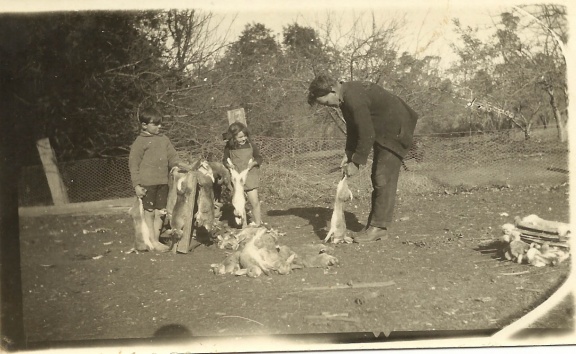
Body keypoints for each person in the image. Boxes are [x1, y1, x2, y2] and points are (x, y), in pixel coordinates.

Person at [307, 74, 418, 243]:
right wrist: (349, 153)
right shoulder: (345, 97)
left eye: (328, 103)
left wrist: (356, 162)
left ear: (333, 90)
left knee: (382, 177)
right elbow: (354, 128)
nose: (331, 106)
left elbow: (366, 133)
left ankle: (378, 228)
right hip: (384, 130)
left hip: (396, 130)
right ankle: (375, 226)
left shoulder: (353, 97)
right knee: (378, 177)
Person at [129, 107, 186, 251]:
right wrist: (136, 185)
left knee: (161, 211)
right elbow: (133, 165)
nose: (159, 126)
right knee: (149, 211)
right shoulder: (139, 142)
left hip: (163, 182)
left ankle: (155, 238)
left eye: (160, 124)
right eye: (156, 124)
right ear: (144, 125)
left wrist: (176, 166)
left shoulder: (163, 139)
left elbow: (173, 156)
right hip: (147, 184)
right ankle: (152, 240)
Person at [223, 122, 264, 227]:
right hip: (237, 178)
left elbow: (259, 158)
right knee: (240, 204)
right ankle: (244, 225)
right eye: (240, 137)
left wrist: (254, 163)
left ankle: (258, 223)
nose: (243, 138)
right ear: (233, 137)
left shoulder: (251, 145)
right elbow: (225, 160)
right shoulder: (229, 147)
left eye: (245, 136)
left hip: (249, 175)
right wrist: (228, 165)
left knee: (254, 201)